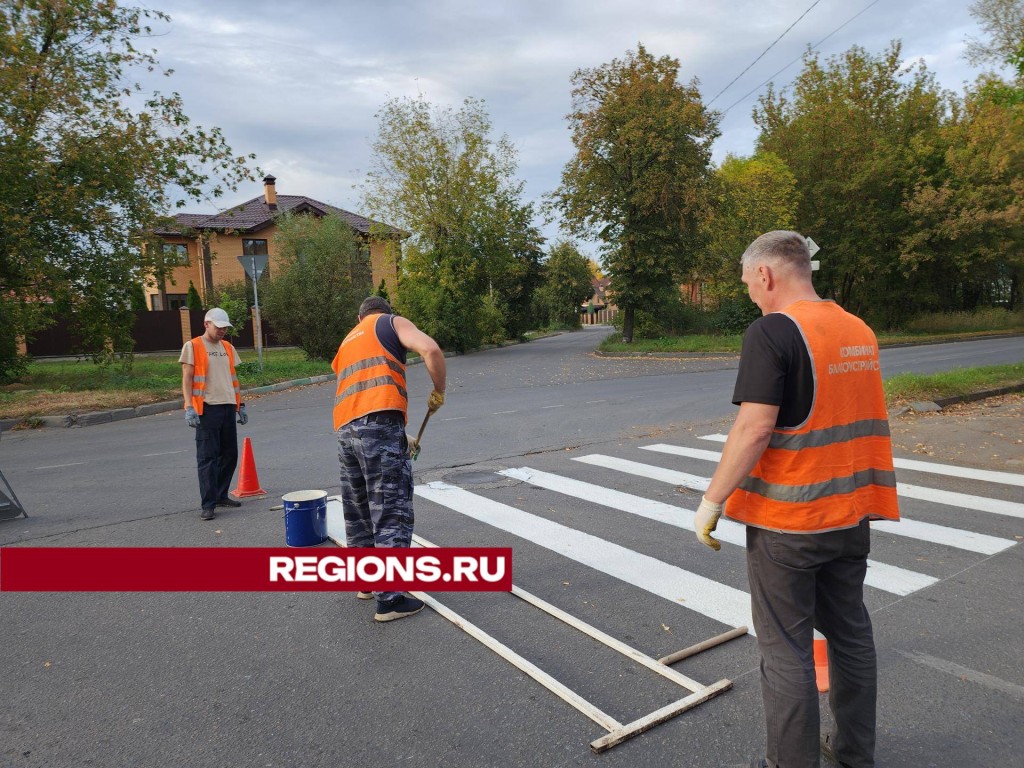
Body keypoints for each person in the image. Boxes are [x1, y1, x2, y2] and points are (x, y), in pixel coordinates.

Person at [694, 231, 900, 768]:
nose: (751, 297)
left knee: (785, 652)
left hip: (790, 522)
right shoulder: (856, 328)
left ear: (766, 274)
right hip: (851, 515)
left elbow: (755, 427)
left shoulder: (772, 332)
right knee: (851, 637)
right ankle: (855, 756)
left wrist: (713, 500)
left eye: (749, 286)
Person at [332, 297, 446, 622]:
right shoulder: (390, 323)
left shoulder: (349, 340)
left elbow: (360, 396)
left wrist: (400, 436)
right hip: (379, 425)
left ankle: (367, 583)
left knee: (359, 511)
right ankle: (390, 598)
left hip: (345, 431)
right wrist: (439, 391)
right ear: (385, 312)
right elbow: (431, 350)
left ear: (359, 315)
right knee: (391, 509)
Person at [180, 307, 248, 521]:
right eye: (218, 327)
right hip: (207, 409)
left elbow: (233, 378)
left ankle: (220, 495)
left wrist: (241, 404)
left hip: (228, 406)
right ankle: (208, 504)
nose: (222, 331)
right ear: (206, 324)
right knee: (208, 458)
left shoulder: (227, 347)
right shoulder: (193, 346)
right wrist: (189, 406)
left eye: (225, 328)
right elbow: (187, 378)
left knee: (230, 455)